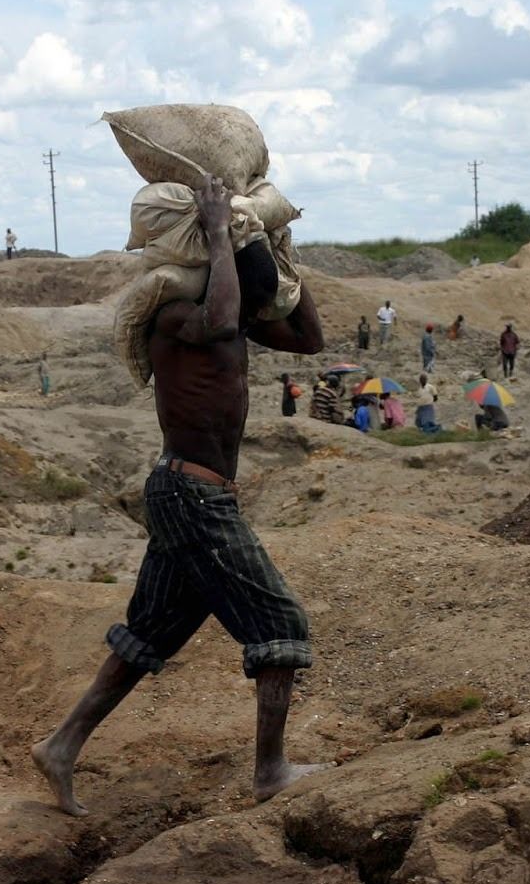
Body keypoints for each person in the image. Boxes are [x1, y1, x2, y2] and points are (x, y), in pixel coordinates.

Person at [32, 176, 328, 816]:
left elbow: (308, 339)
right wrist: (222, 230)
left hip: (191, 494)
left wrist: (278, 249)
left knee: (151, 633)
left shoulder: (230, 317)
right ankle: (271, 771)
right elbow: (221, 316)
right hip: (192, 496)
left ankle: (60, 747)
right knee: (279, 624)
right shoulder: (174, 313)